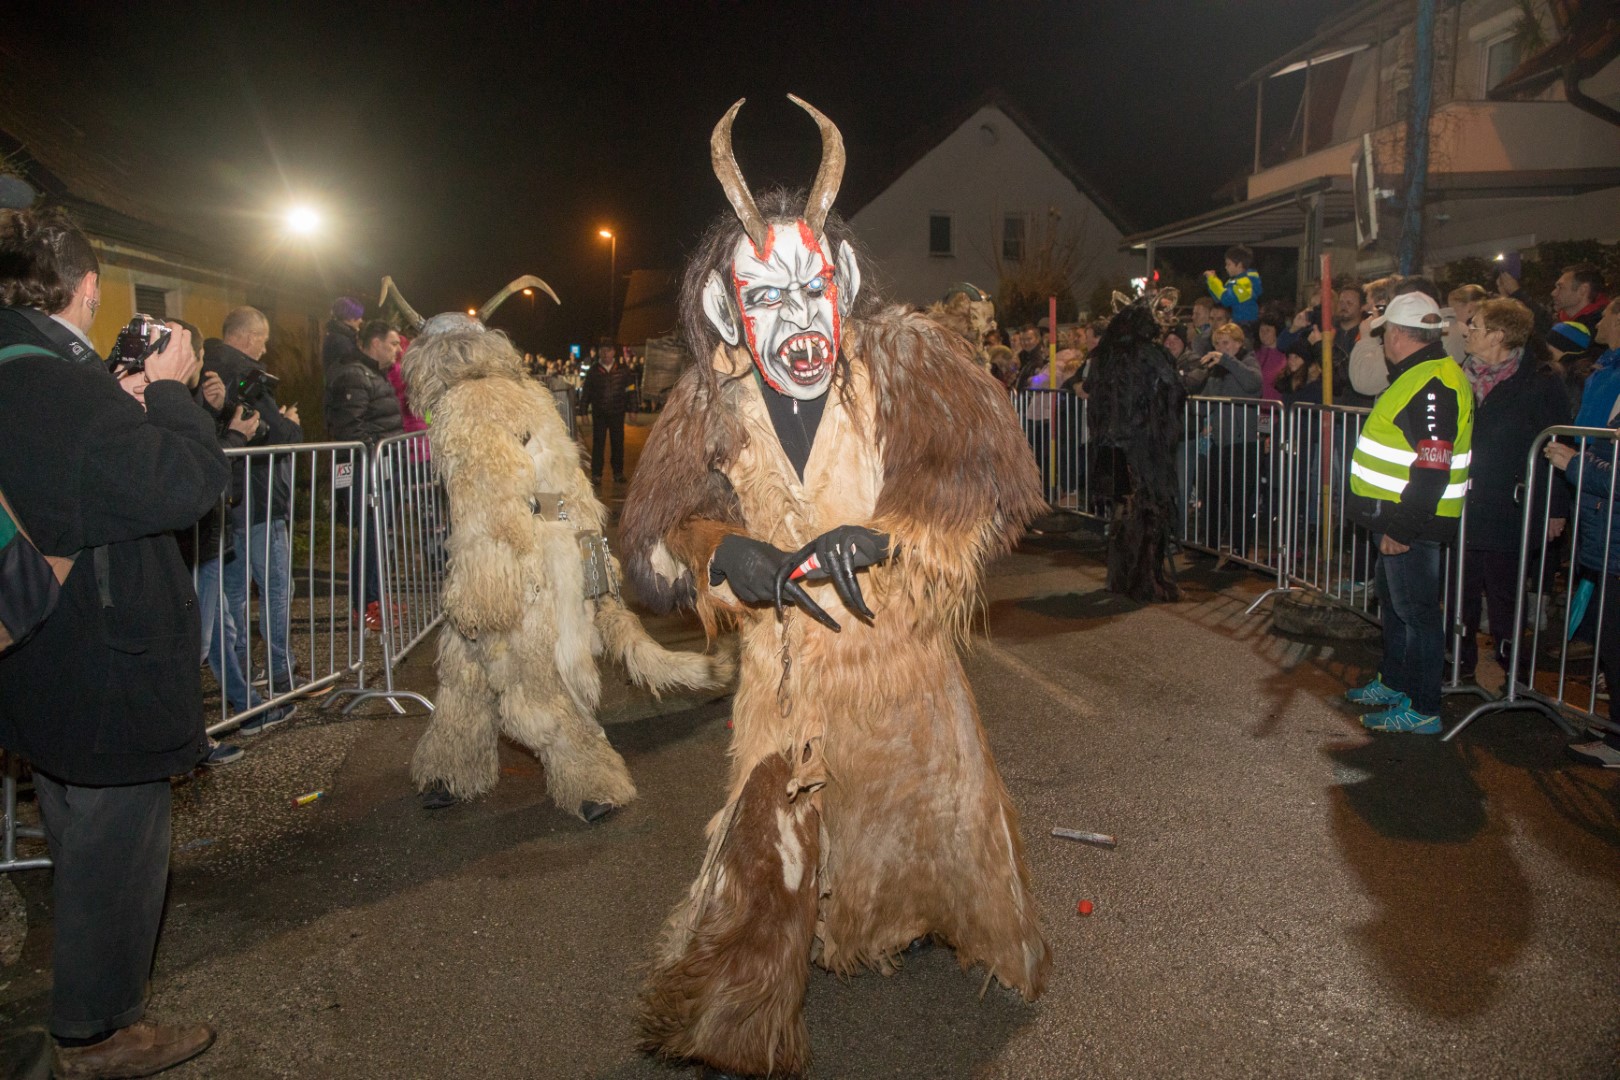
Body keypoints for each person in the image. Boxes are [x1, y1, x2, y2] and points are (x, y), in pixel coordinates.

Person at [623, 97, 1049, 1078]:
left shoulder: (906, 362)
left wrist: (888, 536)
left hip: (907, 675)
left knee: (932, 823)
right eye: (766, 299)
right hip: (786, 682)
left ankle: (927, 919)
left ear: (842, 286)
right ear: (733, 307)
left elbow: (993, 487)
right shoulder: (708, 399)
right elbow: (650, 551)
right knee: (770, 859)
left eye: (810, 292)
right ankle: (743, 1020)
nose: (796, 321)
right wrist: (729, 558)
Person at [0, 205, 223, 1077]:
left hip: (42, 649)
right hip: (100, 654)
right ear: (88, 288)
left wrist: (119, 405)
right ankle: (98, 1032)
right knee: (115, 846)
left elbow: (81, 474)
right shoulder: (52, 381)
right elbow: (180, 484)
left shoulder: (27, 366)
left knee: (74, 824)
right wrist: (167, 391)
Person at [398, 316, 729, 812]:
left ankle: (591, 783)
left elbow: (489, 508)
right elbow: (563, 492)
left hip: (513, 573)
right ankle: (452, 768)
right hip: (557, 549)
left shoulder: (460, 408)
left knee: (535, 687)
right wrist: (591, 563)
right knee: (464, 674)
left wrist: (483, 592)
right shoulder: (527, 395)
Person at [1344, 292, 1474, 734]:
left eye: (1385, 334)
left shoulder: (1432, 382)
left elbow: (1432, 466)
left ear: (1398, 335)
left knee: (1416, 612)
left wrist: (1402, 527)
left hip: (1411, 522)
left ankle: (1422, 706)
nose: (1384, 343)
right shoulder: (1421, 374)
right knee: (1397, 608)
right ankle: (1395, 681)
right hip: (1399, 519)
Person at [1454, 298, 1570, 680]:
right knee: (1459, 590)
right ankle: (1458, 664)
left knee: (1505, 593)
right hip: (1461, 501)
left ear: (1499, 336)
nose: (1468, 330)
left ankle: (1514, 673)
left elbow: (1558, 445)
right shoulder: (1456, 375)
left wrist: (1555, 507)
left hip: (1510, 504)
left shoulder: (1538, 382)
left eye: (1477, 325)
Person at [205, 306, 305, 708]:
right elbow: (277, 434)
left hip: (225, 504)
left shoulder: (201, 366)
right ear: (246, 337)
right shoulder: (248, 373)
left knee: (233, 595)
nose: (265, 347)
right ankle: (281, 673)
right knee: (276, 587)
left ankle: (241, 676)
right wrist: (290, 422)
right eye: (262, 338)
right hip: (259, 499)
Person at [1548, 298, 1620, 767]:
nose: (1603, 319)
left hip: (1612, 524)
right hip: (1605, 527)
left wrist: (1576, 464)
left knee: (1615, 637)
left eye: (1612, 312)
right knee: (1610, 636)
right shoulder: (1606, 370)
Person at [324, 319, 404, 630]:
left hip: (380, 470)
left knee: (379, 537)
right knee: (369, 538)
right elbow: (351, 428)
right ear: (375, 343)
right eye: (394, 343)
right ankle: (363, 604)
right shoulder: (355, 376)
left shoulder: (373, 375)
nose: (398, 350)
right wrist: (377, 457)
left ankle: (375, 596)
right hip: (366, 472)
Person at [579, 339, 635, 484]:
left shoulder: (623, 370)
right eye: (602, 351)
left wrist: (633, 409)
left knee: (618, 444)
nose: (605, 354)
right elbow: (586, 392)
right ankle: (596, 474)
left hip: (617, 413)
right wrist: (583, 412)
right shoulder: (593, 371)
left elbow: (631, 390)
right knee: (598, 445)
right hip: (599, 414)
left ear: (613, 352)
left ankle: (618, 473)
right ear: (599, 353)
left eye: (608, 350)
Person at [1204, 243, 1262, 331]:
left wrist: (1213, 281)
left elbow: (1226, 299)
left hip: (1246, 324)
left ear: (1239, 265)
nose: (1226, 267)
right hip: (1237, 321)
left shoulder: (1246, 283)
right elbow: (1219, 299)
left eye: (1228, 264)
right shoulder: (1234, 281)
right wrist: (1211, 282)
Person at [320, 295, 365, 375]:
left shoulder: (337, 335)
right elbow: (352, 371)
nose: (361, 320)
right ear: (350, 317)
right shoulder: (341, 341)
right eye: (359, 316)